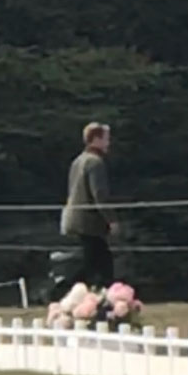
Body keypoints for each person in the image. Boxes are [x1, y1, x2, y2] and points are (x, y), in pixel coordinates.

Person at [61, 123, 118, 289]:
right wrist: (111, 220)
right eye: (106, 139)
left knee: (91, 261)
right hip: (88, 222)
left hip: (75, 218)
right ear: (96, 139)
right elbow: (99, 194)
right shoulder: (95, 162)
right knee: (101, 266)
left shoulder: (78, 161)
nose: (108, 143)